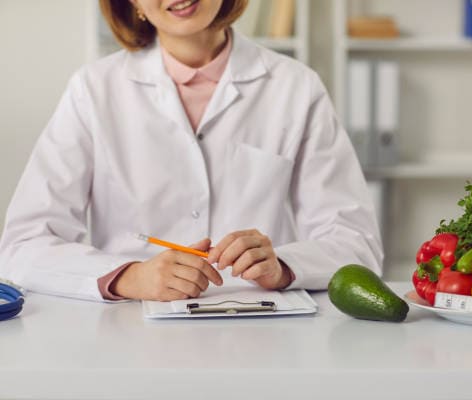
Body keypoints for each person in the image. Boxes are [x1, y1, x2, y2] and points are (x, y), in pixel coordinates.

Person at [0, 0, 383, 302]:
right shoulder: (94, 90)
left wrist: (284, 266)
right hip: (129, 333)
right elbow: (24, 245)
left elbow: (357, 244)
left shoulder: (295, 87)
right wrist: (131, 276)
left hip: (263, 330)